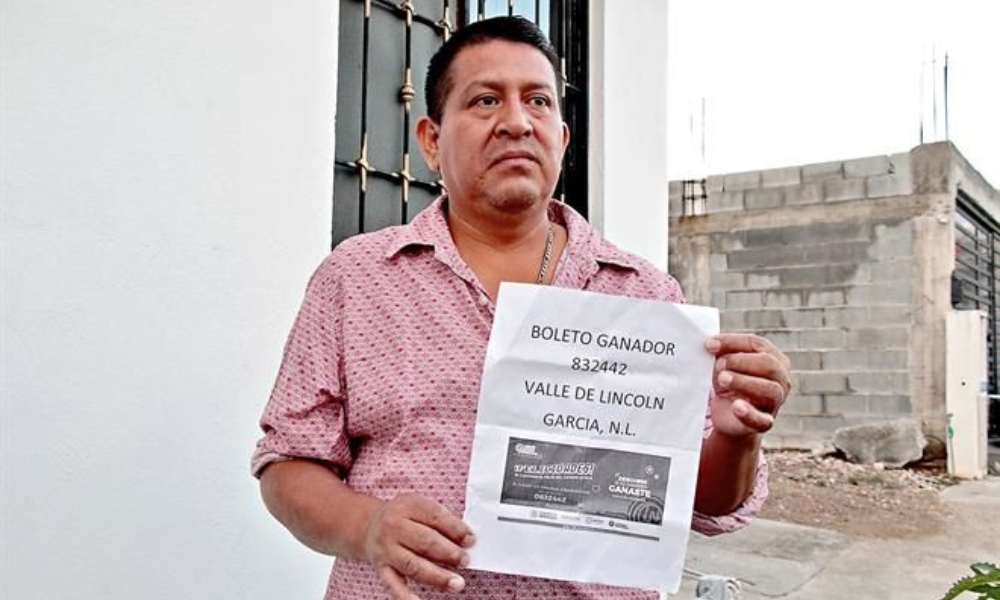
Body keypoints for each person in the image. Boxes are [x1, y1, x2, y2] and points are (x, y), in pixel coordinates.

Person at [253, 16, 791, 600]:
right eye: (486, 100)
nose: (516, 122)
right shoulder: (355, 280)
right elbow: (288, 465)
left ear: (560, 137)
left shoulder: (644, 297)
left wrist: (737, 436)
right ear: (431, 139)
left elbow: (707, 502)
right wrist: (367, 526)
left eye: (538, 100)